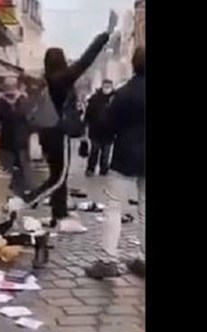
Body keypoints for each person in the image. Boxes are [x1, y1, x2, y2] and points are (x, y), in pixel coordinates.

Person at [24, 32, 111, 228]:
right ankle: (27, 201)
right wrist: (102, 38)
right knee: (58, 177)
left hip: (48, 132)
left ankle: (60, 211)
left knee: (59, 175)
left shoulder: (48, 79)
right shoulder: (60, 80)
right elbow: (84, 62)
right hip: (57, 133)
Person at [86, 47, 146, 279]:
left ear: (133, 64)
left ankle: (108, 260)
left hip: (125, 156)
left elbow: (108, 124)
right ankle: (143, 259)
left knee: (113, 207)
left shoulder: (124, 93)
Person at [0, 76, 34, 197]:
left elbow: (24, 116)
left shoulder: (22, 100)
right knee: (8, 168)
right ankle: (6, 191)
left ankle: (25, 192)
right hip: (11, 140)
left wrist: (15, 101)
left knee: (22, 169)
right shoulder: (2, 101)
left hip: (16, 139)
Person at [84, 79, 116, 176]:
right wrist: (86, 124)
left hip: (109, 131)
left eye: (108, 86)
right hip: (96, 130)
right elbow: (88, 113)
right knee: (94, 151)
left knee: (106, 152)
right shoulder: (95, 98)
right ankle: (91, 168)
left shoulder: (115, 99)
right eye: (105, 86)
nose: (107, 88)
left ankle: (103, 169)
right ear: (102, 86)